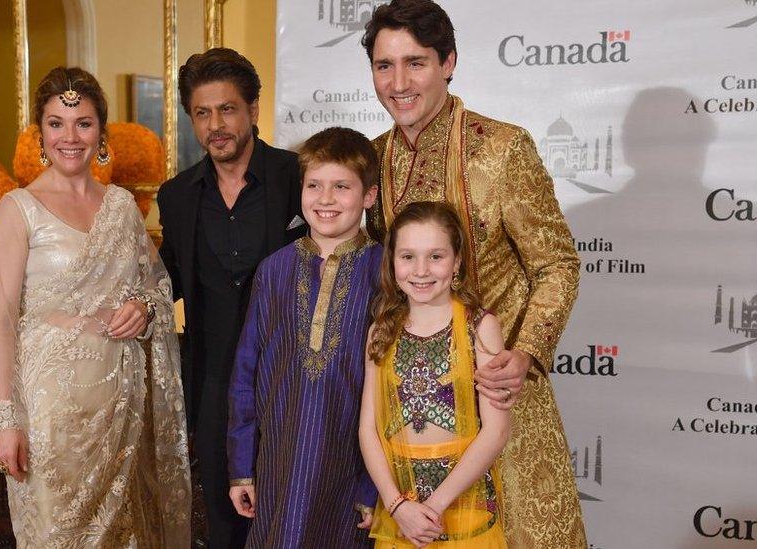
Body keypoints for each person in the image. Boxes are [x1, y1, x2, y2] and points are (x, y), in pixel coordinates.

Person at [361, 1, 587, 546]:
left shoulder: (504, 149)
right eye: (383, 66)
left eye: (415, 63)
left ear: (449, 62)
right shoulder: (371, 161)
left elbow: (557, 263)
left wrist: (525, 351)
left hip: (499, 395)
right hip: (410, 412)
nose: (398, 83)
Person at [0, 66, 191, 547]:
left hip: (119, 413)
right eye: (56, 123)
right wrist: (5, 423)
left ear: (101, 132)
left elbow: (157, 286)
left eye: (83, 123)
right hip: (49, 416)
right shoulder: (17, 210)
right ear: (41, 134)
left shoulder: (121, 207)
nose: (69, 137)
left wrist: (143, 308)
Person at [156, 48, 306, 548]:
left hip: (297, 379)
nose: (215, 124)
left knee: (296, 519)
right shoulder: (176, 196)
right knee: (225, 524)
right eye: (202, 112)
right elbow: (168, 277)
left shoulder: (299, 178)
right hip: (216, 386)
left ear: (253, 110)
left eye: (226, 109)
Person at [226, 127, 381, 547]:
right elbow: (246, 372)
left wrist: (373, 486)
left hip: (349, 465)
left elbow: (394, 390)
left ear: (369, 195)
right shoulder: (274, 270)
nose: (325, 199)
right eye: (314, 185)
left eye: (341, 186)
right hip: (278, 460)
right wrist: (242, 465)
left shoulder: (386, 272)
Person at [360, 201, 510, 548]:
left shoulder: (480, 328)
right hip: (401, 512)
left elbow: (497, 431)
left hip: (463, 505)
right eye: (408, 256)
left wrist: (433, 506)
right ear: (392, 261)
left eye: (436, 256)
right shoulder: (381, 331)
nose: (421, 270)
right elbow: (368, 428)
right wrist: (398, 507)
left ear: (457, 261)